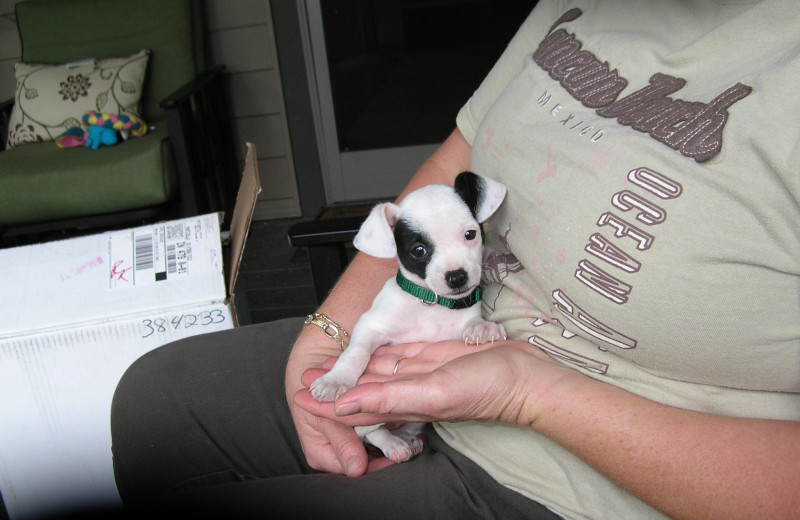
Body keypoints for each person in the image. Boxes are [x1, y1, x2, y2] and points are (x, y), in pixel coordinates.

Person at [110, 1, 800, 519]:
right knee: (151, 403)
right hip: (432, 345)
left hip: (576, 480)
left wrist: (529, 393)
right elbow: (459, 153)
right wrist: (330, 333)